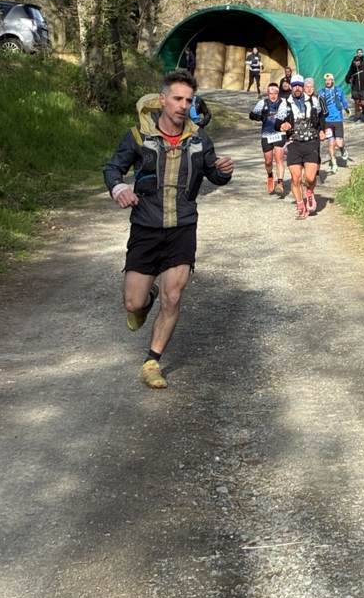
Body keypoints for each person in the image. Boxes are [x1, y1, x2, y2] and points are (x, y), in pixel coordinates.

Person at [104, 69, 234, 389]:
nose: (183, 105)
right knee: (133, 303)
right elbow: (113, 168)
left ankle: (152, 361)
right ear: (162, 99)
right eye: (177, 99)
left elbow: (214, 175)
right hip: (146, 227)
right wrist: (119, 188)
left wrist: (223, 171)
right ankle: (145, 299)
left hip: (183, 228)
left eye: (188, 100)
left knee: (173, 296)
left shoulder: (199, 139)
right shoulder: (138, 136)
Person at [277, 74, 324, 219]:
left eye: (299, 85)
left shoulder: (313, 101)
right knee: (296, 178)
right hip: (294, 144)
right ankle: (300, 207)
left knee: (309, 178)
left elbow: (322, 116)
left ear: (303, 87)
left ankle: (309, 191)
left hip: (311, 142)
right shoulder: (285, 103)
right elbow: (277, 123)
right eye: (294, 86)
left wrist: (322, 130)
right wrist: (282, 125)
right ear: (291, 87)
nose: (297, 88)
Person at [249, 81, 287, 196]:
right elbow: (251, 115)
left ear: (278, 93)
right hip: (266, 135)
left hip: (279, 134)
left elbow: (286, 116)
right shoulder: (263, 103)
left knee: (279, 159)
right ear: (268, 93)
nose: (273, 96)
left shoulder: (283, 102)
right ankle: (270, 176)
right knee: (268, 161)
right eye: (271, 93)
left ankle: (280, 183)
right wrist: (260, 117)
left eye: (275, 93)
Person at [318, 72, 350, 172]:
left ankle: (342, 150)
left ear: (333, 80)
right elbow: (318, 105)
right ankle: (334, 163)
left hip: (338, 120)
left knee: (339, 143)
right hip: (327, 121)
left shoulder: (339, 90)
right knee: (331, 143)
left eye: (329, 80)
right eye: (326, 80)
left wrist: (346, 108)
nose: (327, 82)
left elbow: (343, 100)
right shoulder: (321, 92)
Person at [345, 48, 364, 122]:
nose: (357, 62)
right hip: (355, 88)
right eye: (356, 61)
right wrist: (349, 80)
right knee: (356, 102)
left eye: (358, 61)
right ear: (354, 62)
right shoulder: (352, 69)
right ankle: (358, 117)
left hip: (363, 88)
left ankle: (363, 112)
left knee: (363, 103)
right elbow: (347, 78)